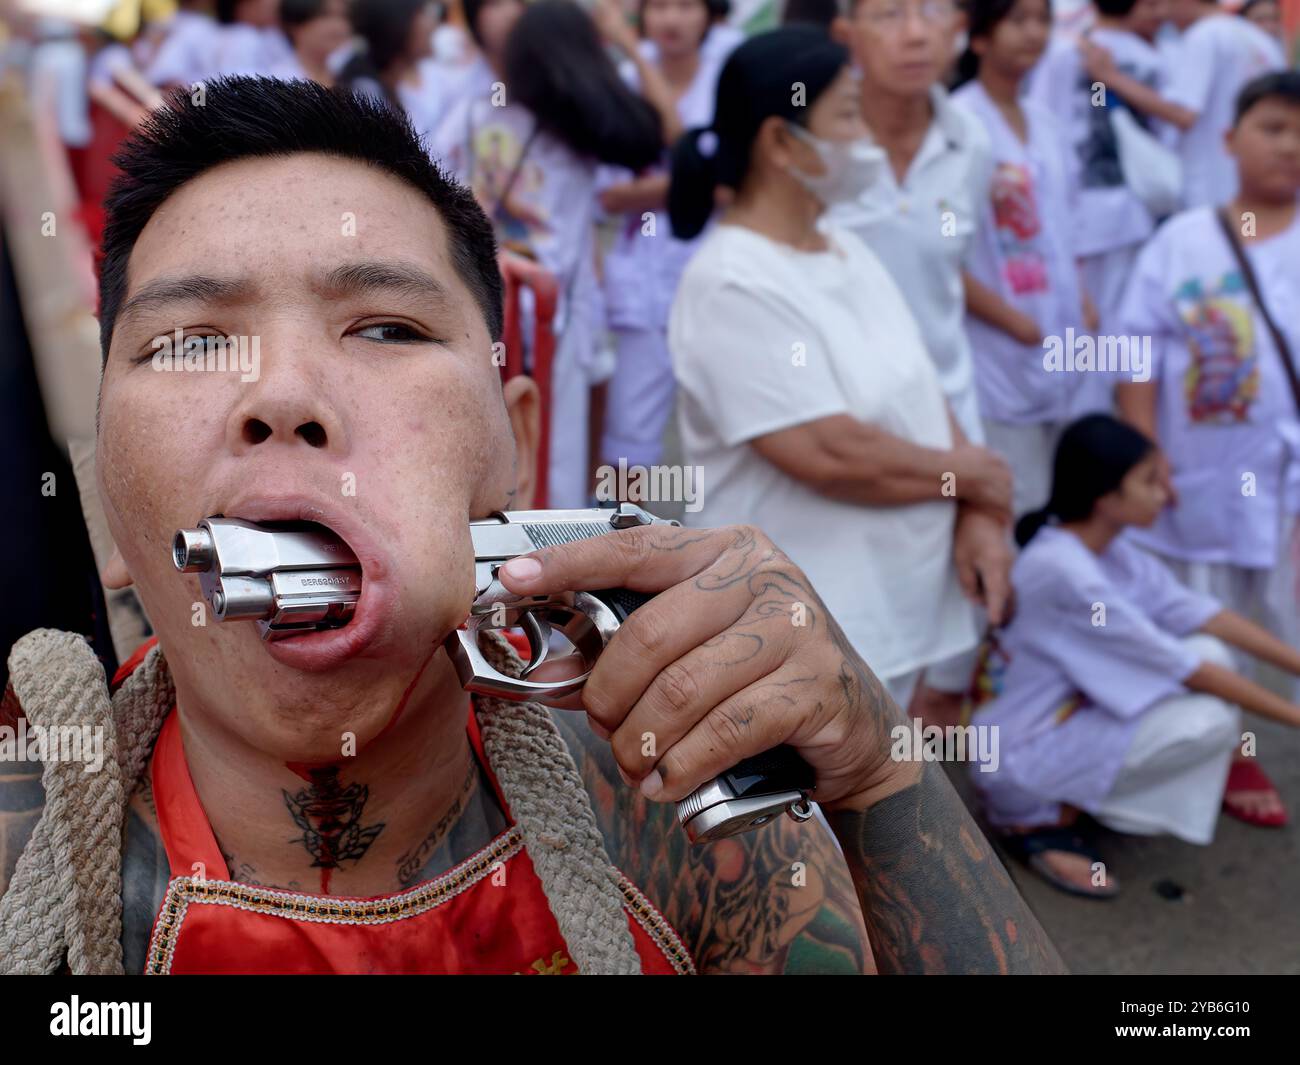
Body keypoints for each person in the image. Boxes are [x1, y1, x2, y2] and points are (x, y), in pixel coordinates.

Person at [0, 76, 1062, 976]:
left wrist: (880, 779)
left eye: (386, 326)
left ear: (514, 446)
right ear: (109, 484)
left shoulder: (671, 791)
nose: (282, 395)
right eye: (188, 342)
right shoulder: (20, 832)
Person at [668, 27, 1014, 710]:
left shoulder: (846, 247)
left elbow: (924, 389)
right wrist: (980, 477)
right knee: (815, 810)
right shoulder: (731, 282)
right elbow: (830, 453)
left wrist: (977, 503)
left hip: (891, 612)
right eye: (848, 115)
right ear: (780, 142)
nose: (868, 139)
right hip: (804, 630)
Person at [970, 415, 1300, 898]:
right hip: (1014, 759)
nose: (1166, 494)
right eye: (1150, 481)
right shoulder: (1066, 572)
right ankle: (1028, 821)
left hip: (1055, 723)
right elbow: (1185, 668)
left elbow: (1203, 615)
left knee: (1213, 651)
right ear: (1106, 497)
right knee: (1208, 720)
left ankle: (1077, 794)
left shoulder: (1106, 549)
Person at [1115, 72, 1300, 724]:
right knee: (1208, 621)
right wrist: (1147, 453)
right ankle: (1229, 752)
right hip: (1204, 478)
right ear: (1229, 138)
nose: (1290, 146)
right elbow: (1134, 351)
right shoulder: (1182, 240)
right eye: (1273, 128)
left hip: (1290, 487)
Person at [827, 0, 994, 718]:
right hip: (841, 434)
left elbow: (952, 280)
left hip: (953, 422)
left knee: (953, 641)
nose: (917, 32)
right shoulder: (816, 148)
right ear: (847, 34)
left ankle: (914, 816)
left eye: (934, 9)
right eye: (891, 12)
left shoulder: (971, 140)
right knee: (845, 643)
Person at [432, 0, 668, 508]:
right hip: (552, 309)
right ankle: (548, 562)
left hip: (488, 296)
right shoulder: (582, 126)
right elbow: (657, 137)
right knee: (553, 448)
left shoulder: (475, 112)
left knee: (494, 438)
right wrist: (623, 44)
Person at [954, 0, 1091, 516]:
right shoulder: (961, 124)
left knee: (1055, 495)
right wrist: (1010, 319)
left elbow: (1063, 225)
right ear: (981, 37)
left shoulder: (1045, 122)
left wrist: (1081, 299)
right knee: (1010, 497)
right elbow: (942, 251)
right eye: (1017, 21)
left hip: (1058, 334)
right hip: (998, 341)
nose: (1033, 33)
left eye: (1042, 21)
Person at [597, 0, 734, 474]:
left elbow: (724, 180)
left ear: (710, 13)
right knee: (629, 436)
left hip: (719, 272)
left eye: (685, 6)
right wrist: (694, 186)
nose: (671, 20)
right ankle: (623, 538)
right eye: (658, 6)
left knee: (726, 423)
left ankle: (728, 540)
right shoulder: (624, 81)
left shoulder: (729, 72)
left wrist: (663, 188)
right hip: (645, 277)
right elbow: (611, 194)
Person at [1026, 0, 1169, 350]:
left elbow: (1043, 120)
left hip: (1077, 204)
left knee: (1080, 309)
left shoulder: (1065, 53)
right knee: (1121, 310)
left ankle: (1092, 395)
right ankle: (1114, 387)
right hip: (1134, 204)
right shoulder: (1152, 60)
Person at [1083, 0, 1285, 207]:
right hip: (1250, 180)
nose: (1163, 14)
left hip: (1211, 185)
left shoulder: (1204, 35)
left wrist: (1109, 77)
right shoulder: (1260, 40)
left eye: (1164, 3)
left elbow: (1183, 113)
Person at [269, 0, 351, 86]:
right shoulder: (278, 80)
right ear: (295, 25)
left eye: (343, 16)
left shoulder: (351, 75)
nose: (339, 26)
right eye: (324, 15)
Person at [145, 0, 218, 88]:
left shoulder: (209, 31)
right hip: (140, 81)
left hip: (169, 92)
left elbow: (206, 75)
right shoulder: (167, 13)